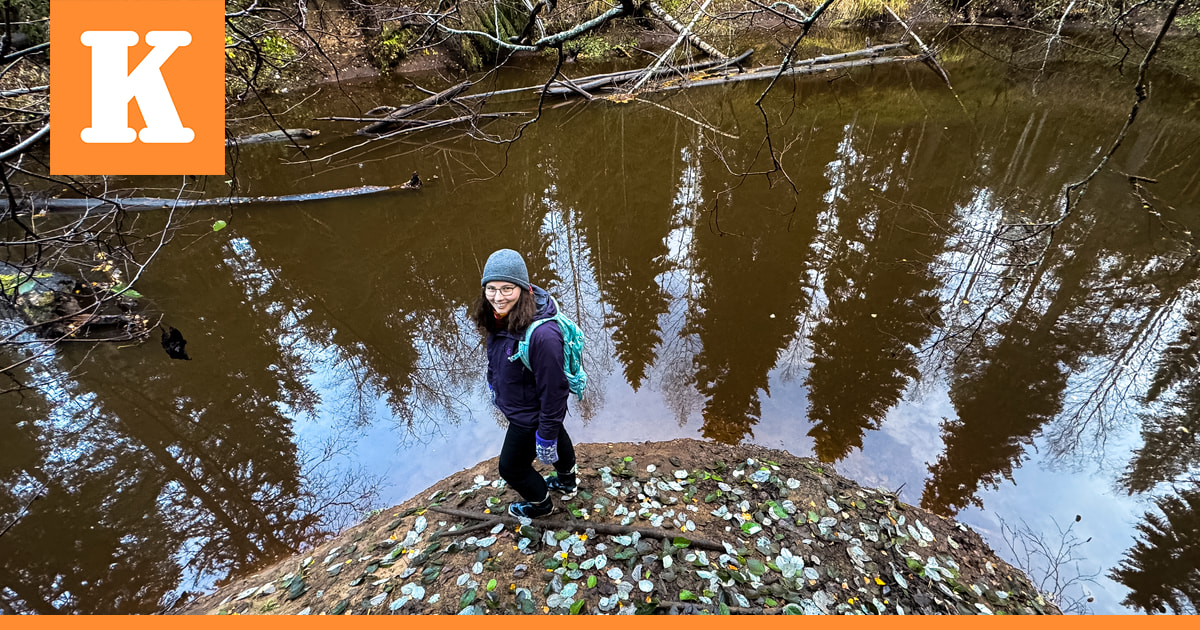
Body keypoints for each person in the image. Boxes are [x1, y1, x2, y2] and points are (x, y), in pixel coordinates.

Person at [472, 249, 578, 518]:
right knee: (558, 433)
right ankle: (567, 482)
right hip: (525, 404)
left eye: (507, 288)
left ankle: (541, 506)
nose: (498, 297)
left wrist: (544, 433)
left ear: (523, 287)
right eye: (491, 289)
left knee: (511, 468)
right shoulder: (500, 317)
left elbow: (555, 392)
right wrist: (495, 384)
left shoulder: (542, 336)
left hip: (528, 416)